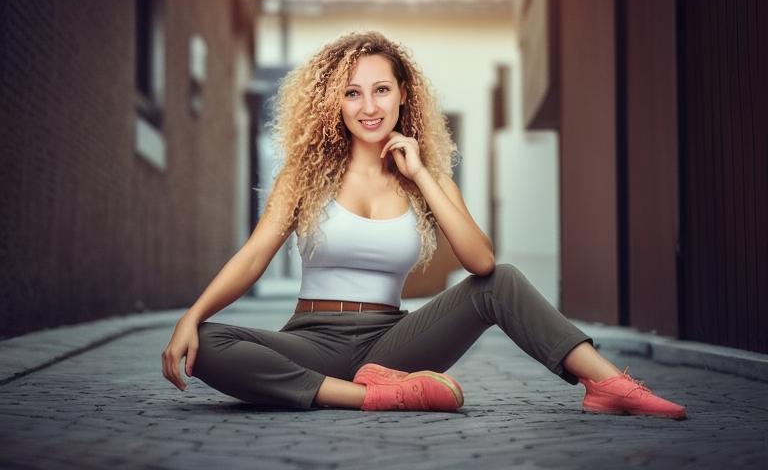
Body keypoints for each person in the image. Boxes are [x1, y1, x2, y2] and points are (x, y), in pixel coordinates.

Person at [161, 31, 687, 419]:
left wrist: (424, 176)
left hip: (393, 344)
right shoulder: (303, 177)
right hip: (310, 340)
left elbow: (480, 265)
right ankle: (373, 396)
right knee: (206, 343)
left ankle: (610, 385)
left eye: (381, 90)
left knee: (502, 278)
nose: (369, 107)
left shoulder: (427, 182)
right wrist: (193, 315)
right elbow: (254, 256)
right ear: (333, 104)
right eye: (351, 93)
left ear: (403, 94)